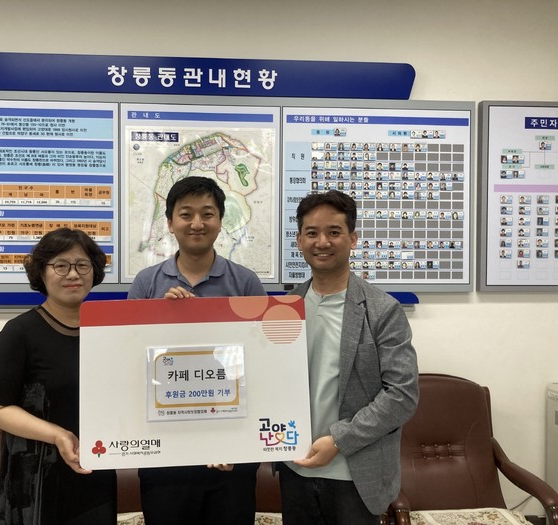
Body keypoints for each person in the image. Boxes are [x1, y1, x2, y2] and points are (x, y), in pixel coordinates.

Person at [128, 176, 266, 525]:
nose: (197, 223)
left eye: (207, 213)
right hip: (165, 454)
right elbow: (130, 363)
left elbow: (264, 366)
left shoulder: (246, 282)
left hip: (231, 454)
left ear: (220, 220)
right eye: (186, 214)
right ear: (170, 222)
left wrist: (240, 443)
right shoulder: (146, 283)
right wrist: (160, 316)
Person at [280, 190, 419, 524]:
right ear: (299, 241)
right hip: (295, 468)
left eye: (334, 232)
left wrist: (340, 440)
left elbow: (402, 395)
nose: (322, 242)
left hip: (354, 473)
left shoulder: (382, 310)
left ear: (353, 239)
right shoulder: (284, 309)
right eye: (312, 233)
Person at [0, 228, 116, 524]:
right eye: (60, 265)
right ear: (41, 272)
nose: (73, 274)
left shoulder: (106, 333)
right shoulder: (19, 333)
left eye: (82, 265)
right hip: (35, 480)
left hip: (95, 471)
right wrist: (57, 435)